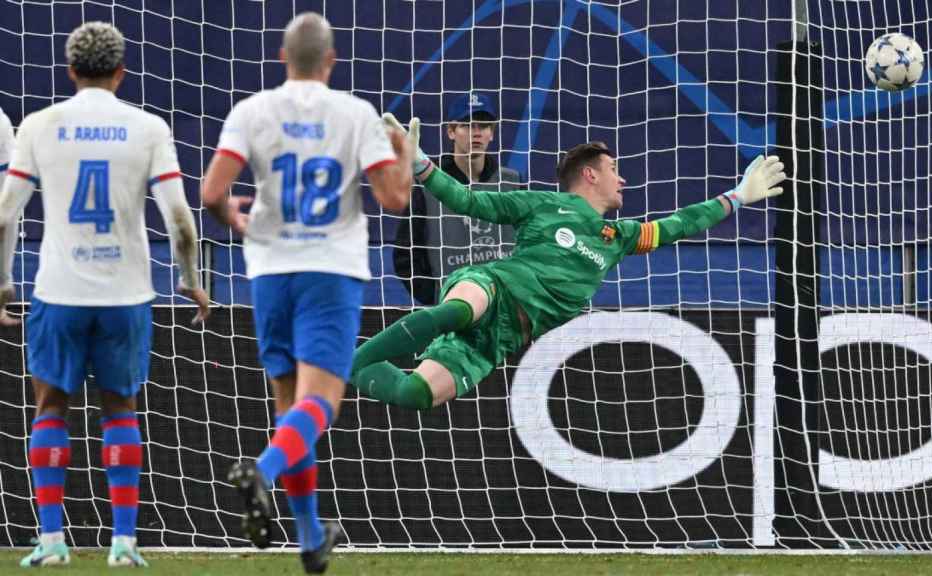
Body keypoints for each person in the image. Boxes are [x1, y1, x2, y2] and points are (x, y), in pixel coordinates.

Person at [350, 117, 785, 413]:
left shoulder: (619, 237)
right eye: (614, 169)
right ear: (590, 175)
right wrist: (422, 164)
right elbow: (467, 199)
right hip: (493, 286)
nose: (623, 179)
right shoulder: (542, 203)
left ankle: (353, 367)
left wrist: (737, 197)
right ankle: (348, 361)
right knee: (464, 307)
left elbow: (678, 224)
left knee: (414, 394)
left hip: (502, 337)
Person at [200, 12, 412, 574]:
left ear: (281, 58)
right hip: (330, 270)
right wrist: (404, 152)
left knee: (290, 407)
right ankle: (262, 472)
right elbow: (394, 199)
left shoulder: (252, 110)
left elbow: (212, 190)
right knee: (321, 405)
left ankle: (311, 538)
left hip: (269, 271)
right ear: (332, 61)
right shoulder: (355, 113)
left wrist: (232, 215)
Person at [0, 21, 210, 568]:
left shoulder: (38, 125)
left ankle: (50, 541)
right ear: (121, 72)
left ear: (71, 70)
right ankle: (123, 543)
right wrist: (190, 279)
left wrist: (1, 282)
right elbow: (181, 221)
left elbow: (4, 216)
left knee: (50, 407)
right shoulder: (147, 128)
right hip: (126, 293)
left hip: (58, 292)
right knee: (120, 409)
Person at [392, 92, 523, 305]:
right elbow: (405, 254)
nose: (477, 133)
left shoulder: (512, 182)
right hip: (453, 307)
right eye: (468, 125)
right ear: (451, 132)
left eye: (484, 125)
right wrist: (436, 296)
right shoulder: (425, 183)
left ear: (492, 133)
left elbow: (530, 241)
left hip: (505, 305)